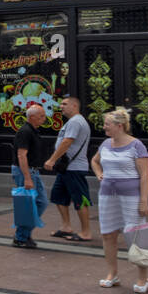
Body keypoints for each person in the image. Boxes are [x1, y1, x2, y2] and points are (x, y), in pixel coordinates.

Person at [90, 107, 148, 292]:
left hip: (131, 197)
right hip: (108, 196)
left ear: (120, 125)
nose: (104, 127)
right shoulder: (105, 144)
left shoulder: (136, 145)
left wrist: (144, 200)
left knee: (136, 235)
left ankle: (143, 279)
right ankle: (112, 274)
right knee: (108, 234)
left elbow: (145, 175)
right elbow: (94, 161)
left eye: (107, 124)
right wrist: (100, 174)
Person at [44, 95, 93, 242]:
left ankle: (86, 232)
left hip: (74, 168)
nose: (61, 106)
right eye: (61, 104)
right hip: (66, 168)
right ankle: (66, 227)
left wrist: (52, 159)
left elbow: (67, 142)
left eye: (65, 104)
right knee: (58, 196)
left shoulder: (76, 121)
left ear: (74, 106)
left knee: (80, 200)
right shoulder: (72, 122)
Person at [12, 104, 47, 249]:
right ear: (32, 117)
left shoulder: (33, 131)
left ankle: (23, 235)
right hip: (26, 171)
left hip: (32, 171)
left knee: (37, 203)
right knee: (35, 203)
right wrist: (27, 178)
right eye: (41, 116)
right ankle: (21, 236)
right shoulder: (25, 131)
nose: (44, 119)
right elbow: (21, 155)